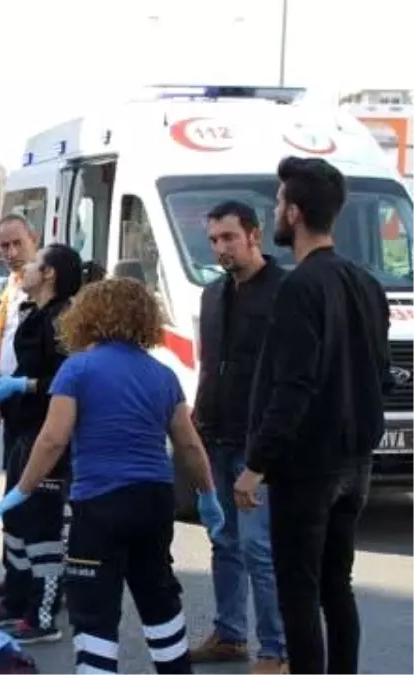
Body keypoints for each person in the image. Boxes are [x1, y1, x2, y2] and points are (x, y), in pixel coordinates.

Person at [0, 277, 224, 674]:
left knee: (95, 614)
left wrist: (22, 490)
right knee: (158, 598)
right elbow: (188, 445)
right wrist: (208, 495)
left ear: (87, 317)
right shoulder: (162, 375)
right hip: (153, 502)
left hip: (99, 506)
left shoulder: (77, 370)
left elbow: (51, 440)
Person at [239, 157, 391, 675]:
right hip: (355, 463)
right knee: (336, 587)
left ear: (296, 213)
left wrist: (256, 463)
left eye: (280, 203)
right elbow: (381, 372)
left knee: (299, 595)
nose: (275, 210)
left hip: (309, 467)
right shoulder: (367, 284)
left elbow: (292, 386)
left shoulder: (298, 288)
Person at [0, 244, 101, 644]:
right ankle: (16, 597)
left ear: (48, 274)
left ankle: (42, 616)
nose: (24, 269)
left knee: (42, 526)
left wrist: (21, 385)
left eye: (33, 264)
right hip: (22, 427)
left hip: (46, 433)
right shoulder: (35, 312)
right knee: (17, 520)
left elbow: (67, 380)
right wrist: (2, 394)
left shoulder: (62, 318)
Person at [188, 201, 288, 673]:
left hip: (257, 441)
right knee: (223, 540)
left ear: (255, 234)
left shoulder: (286, 291)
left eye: (228, 237)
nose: (220, 248)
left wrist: (270, 447)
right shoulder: (213, 294)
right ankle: (230, 635)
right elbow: (210, 365)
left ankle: (276, 650)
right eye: (213, 240)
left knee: (258, 548)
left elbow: (293, 376)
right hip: (215, 434)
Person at [0, 214, 40, 603]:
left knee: (33, 498)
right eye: (4, 246)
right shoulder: (12, 287)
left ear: (33, 239)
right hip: (12, 404)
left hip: (37, 403)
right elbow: (2, 344)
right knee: (13, 492)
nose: (12, 253)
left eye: (18, 244)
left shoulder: (46, 285)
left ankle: (36, 586)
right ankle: (14, 574)